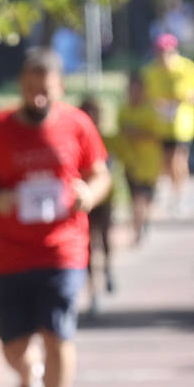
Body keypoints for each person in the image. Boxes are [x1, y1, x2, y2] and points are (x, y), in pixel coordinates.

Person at [0, 47, 112, 387]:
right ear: (21, 88)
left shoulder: (77, 125)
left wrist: (89, 193)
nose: (38, 99)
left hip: (63, 249)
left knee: (58, 333)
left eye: (45, 91)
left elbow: (100, 173)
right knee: (13, 346)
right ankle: (29, 376)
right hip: (10, 254)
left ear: (59, 88)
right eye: (31, 90)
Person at [141, 33, 194, 217]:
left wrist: (183, 100)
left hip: (181, 125)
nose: (164, 57)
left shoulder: (186, 68)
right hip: (159, 125)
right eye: (161, 53)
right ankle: (168, 191)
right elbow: (144, 96)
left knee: (178, 160)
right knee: (164, 162)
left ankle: (179, 196)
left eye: (168, 52)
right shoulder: (151, 72)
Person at [114, 75, 164, 244]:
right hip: (130, 162)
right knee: (135, 196)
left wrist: (136, 133)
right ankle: (137, 228)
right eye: (131, 89)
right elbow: (120, 133)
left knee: (146, 197)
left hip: (149, 163)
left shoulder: (151, 111)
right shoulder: (123, 110)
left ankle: (144, 221)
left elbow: (156, 135)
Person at [78, 97, 115, 307]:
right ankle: (93, 292)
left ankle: (108, 269)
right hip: (83, 203)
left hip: (104, 199)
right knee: (89, 247)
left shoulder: (106, 139)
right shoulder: (74, 138)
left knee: (105, 238)